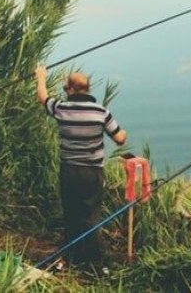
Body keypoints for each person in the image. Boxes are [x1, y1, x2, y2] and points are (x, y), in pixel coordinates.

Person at [34, 65, 127, 271]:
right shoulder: (101, 112)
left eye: (66, 88)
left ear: (70, 90)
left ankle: (72, 256)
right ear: (87, 89)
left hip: (69, 171)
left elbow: (42, 97)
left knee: (71, 214)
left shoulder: (61, 109)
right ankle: (95, 262)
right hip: (92, 173)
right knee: (91, 215)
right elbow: (120, 139)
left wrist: (41, 76)